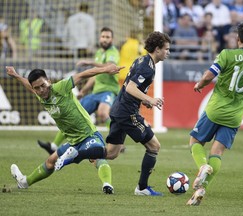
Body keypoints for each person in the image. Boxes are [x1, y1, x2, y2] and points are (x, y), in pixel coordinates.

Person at [57, 31, 171, 196]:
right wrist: (150, 99)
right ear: (158, 49)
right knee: (154, 146)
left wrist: (144, 100)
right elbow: (131, 87)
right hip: (127, 113)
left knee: (111, 153)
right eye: (166, 49)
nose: (168, 52)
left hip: (119, 109)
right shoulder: (147, 67)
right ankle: (142, 188)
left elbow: (129, 87)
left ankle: (76, 154)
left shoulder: (142, 60)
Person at [186, 22, 243, 206]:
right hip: (235, 116)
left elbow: (208, 76)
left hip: (215, 110)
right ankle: (202, 189)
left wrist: (199, 85)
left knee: (195, 142)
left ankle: (202, 166)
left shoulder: (227, 54)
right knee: (217, 152)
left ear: (237, 38)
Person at [7, 64, 124, 194]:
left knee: (96, 157)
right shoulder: (39, 94)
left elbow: (83, 74)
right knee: (51, 161)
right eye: (37, 88)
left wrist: (105, 70)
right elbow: (28, 85)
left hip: (88, 134)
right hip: (73, 140)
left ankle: (107, 185)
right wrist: (16, 75)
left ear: (49, 82)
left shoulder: (61, 87)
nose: (42, 90)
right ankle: (24, 182)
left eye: (43, 85)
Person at [37, 27, 121, 190]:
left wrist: (90, 62)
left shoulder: (113, 52)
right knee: (70, 115)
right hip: (95, 92)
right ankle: (54, 146)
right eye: (102, 36)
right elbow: (96, 77)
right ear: (99, 38)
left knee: (104, 114)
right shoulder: (98, 52)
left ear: (112, 39)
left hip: (108, 91)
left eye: (107, 37)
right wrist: (83, 91)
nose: (104, 39)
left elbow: (109, 66)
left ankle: (114, 142)